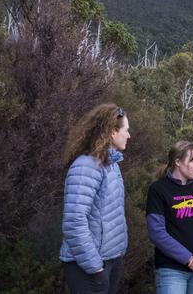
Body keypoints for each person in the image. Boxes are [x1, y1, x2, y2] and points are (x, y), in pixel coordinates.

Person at [60, 103, 131, 294]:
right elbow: (74, 220)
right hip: (89, 267)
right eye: (126, 130)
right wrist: (94, 266)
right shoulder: (86, 166)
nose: (129, 135)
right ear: (111, 132)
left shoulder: (111, 164)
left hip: (110, 260)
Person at [146, 141, 193, 294]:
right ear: (178, 162)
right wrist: (189, 259)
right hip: (171, 270)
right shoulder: (158, 189)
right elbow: (157, 233)